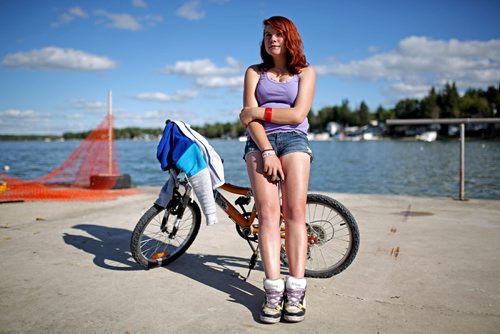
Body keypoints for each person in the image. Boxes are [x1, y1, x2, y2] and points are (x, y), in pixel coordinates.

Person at [239, 16, 316, 324]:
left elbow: (298, 114)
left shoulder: (306, 73)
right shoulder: (254, 72)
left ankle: (296, 290)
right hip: (260, 144)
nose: (272, 39)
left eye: (278, 34)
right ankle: (273, 290)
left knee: (295, 212)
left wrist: (259, 110)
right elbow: (248, 120)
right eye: (268, 34)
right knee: (269, 215)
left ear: (290, 38)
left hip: (296, 140)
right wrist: (267, 149)